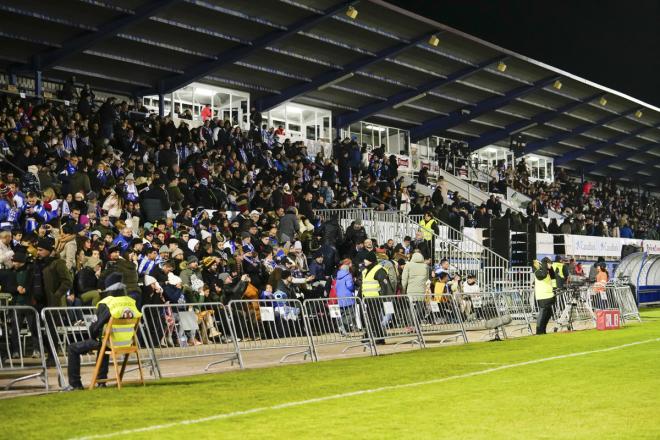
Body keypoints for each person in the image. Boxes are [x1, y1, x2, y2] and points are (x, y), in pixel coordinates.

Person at [64, 281, 142, 391]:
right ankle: (101, 382)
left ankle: (75, 384)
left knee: (74, 348)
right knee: (104, 343)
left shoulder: (107, 303)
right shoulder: (131, 302)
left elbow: (95, 327)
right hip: (127, 343)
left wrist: (93, 335)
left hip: (110, 341)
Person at [360, 251, 393, 344]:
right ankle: (376, 336)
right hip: (367, 298)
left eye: (366, 259)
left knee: (373, 318)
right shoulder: (365, 271)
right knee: (370, 318)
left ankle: (376, 336)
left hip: (376, 298)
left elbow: (384, 284)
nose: (364, 261)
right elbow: (363, 285)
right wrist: (360, 297)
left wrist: (385, 298)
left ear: (371, 260)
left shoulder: (379, 270)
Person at [533, 257, 556, 335]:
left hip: (548, 296)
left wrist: (550, 268)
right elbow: (543, 275)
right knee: (543, 314)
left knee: (548, 314)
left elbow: (553, 277)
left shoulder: (547, 271)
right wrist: (544, 262)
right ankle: (539, 331)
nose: (551, 265)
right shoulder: (538, 272)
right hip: (543, 296)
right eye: (549, 264)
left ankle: (543, 330)